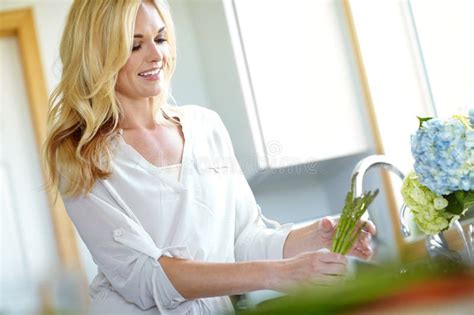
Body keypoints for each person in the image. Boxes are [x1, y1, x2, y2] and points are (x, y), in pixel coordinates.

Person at [43, 0, 376, 314]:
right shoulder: (80, 155)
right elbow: (146, 278)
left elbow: (244, 240)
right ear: (99, 55)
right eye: (134, 45)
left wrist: (315, 237)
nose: (156, 54)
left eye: (160, 38)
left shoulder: (205, 127)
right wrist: (278, 274)